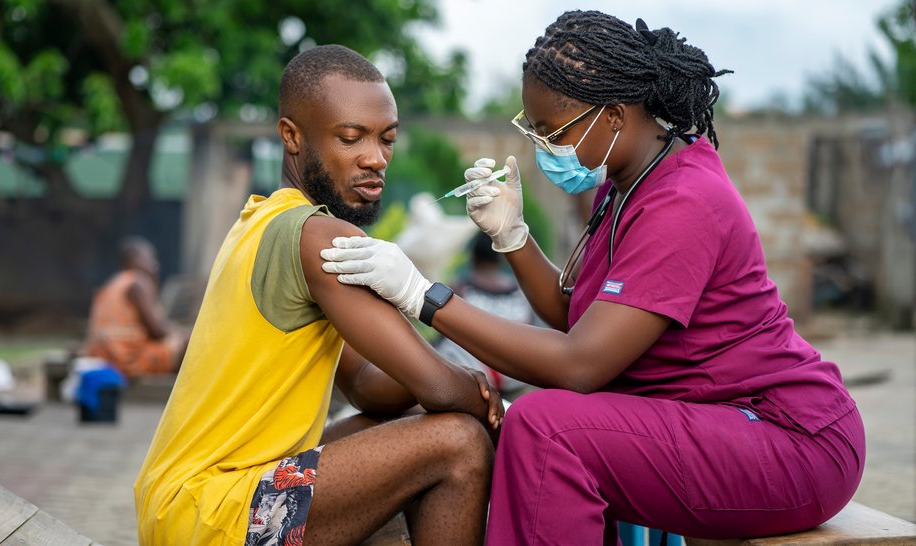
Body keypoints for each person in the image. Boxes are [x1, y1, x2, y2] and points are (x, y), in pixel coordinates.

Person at [320, 10, 865, 544]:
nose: (542, 147)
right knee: (544, 425)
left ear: (614, 117)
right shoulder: (627, 184)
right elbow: (577, 314)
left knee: (548, 428)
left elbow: (581, 363)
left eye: (551, 131)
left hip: (786, 440)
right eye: (533, 131)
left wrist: (424, 295)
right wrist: (514, 237)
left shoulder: (684, 202)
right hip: (720, 423)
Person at [134, 44, 502, 546]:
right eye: (351, 138)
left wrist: (446, 381)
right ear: (292, 136)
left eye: (387, 139)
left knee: (416, 422)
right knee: (458, 443)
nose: (375, 159)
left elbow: (370, 387)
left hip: (177, 506)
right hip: (218, 516)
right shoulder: (321, 236)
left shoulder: (262, 218)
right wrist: (478, 394)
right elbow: (441, 389)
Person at [435, 231, 534, 398]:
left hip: (471, 378)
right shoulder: (521, 295)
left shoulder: (460, 289)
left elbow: (441, 331)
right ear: (499, 258)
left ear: (472, 257)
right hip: (516, 380)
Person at [81, 236, 187, 380]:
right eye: (149, 257)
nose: (155, 263)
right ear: (132, 260)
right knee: (188, 342)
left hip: (103, 358)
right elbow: (157, 331)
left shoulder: (113, 283)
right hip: (126, 361)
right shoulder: (137, 282)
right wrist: (179, 332)